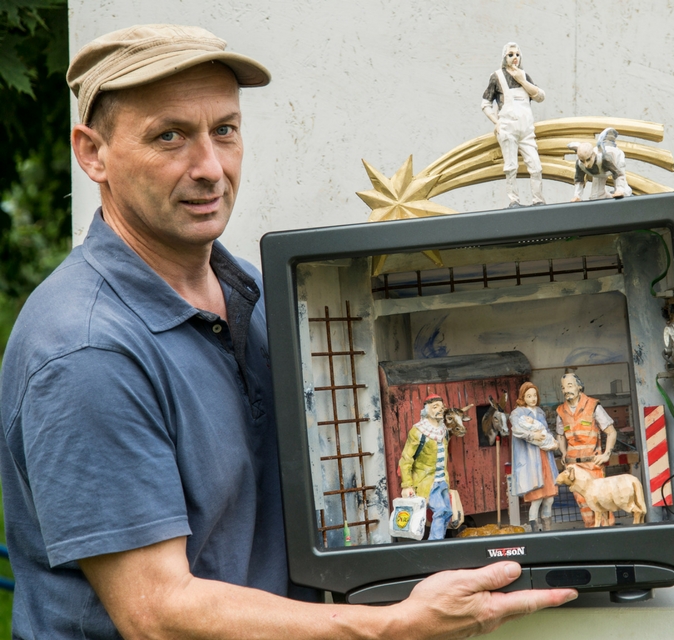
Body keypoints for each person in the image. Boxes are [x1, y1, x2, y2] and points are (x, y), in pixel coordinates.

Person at [0, 24, 576, 639]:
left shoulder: (252, 287)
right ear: (92, 154)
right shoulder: (86, 350)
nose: (210, 167)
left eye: (224, 130)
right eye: (169, 136)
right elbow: (157, 614)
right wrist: (393, 626)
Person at [481, 42, 546, 208]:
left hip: (526, 129)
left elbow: (540, 96)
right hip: (507, 129)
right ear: (504, 57)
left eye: (517, 54)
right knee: (511, 167)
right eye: (511, 55)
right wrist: (497, 122)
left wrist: (522, 80)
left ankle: (538, 200)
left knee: (536, 166)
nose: (514, 58)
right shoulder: (497, 77)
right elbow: (485, 103)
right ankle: (513, 200)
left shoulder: (524, 75)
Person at [554, 373, 618, 528]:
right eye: (563, 387)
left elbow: (611, 432)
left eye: (570, 385)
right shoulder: (561, 411)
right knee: (583, 502)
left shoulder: (593, 406)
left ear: (579, 386)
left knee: (600, 501)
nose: (566, 390)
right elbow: (560, 435)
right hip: (573, 467)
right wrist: (563, 453)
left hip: (593, 465)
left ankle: (608, 533)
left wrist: (606, 454)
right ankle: (592, 532)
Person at [399, 395, 456, 540]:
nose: (440, 410)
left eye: (441, 407)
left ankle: (439, 541)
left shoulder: (444, 431)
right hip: (426, 481)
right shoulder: (419, 431)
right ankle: (434, 544)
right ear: (426, 410)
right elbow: (406, 458)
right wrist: (407, 485)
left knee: (447, 512)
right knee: (441, 511)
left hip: (442, 479)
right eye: (435, 407)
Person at [509, 382, 559, 532]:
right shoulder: (517, 413)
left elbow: (546, 430)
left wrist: (551, 440)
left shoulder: (540, 412)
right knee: (536, 499)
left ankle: (548, 529)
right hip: (531, 460)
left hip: (545, 457)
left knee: (549, 498)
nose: (532, 398)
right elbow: (517, 431)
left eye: (534, 395)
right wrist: (533, 435)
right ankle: (535, 530)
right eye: (528, 396)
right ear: (522, 397)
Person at [569, 128, 631, 202]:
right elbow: (579, 180)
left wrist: (619, 190)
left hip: (615, 163)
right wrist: (577, 196)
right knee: (596, 197)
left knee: (624, 193)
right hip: (599, 172)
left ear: (593, 155)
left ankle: (623, 192)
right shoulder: (580, 164)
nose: (586, 165)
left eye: (588, 160)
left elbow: (618, 174)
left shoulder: (605, 159)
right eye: (582, 161)